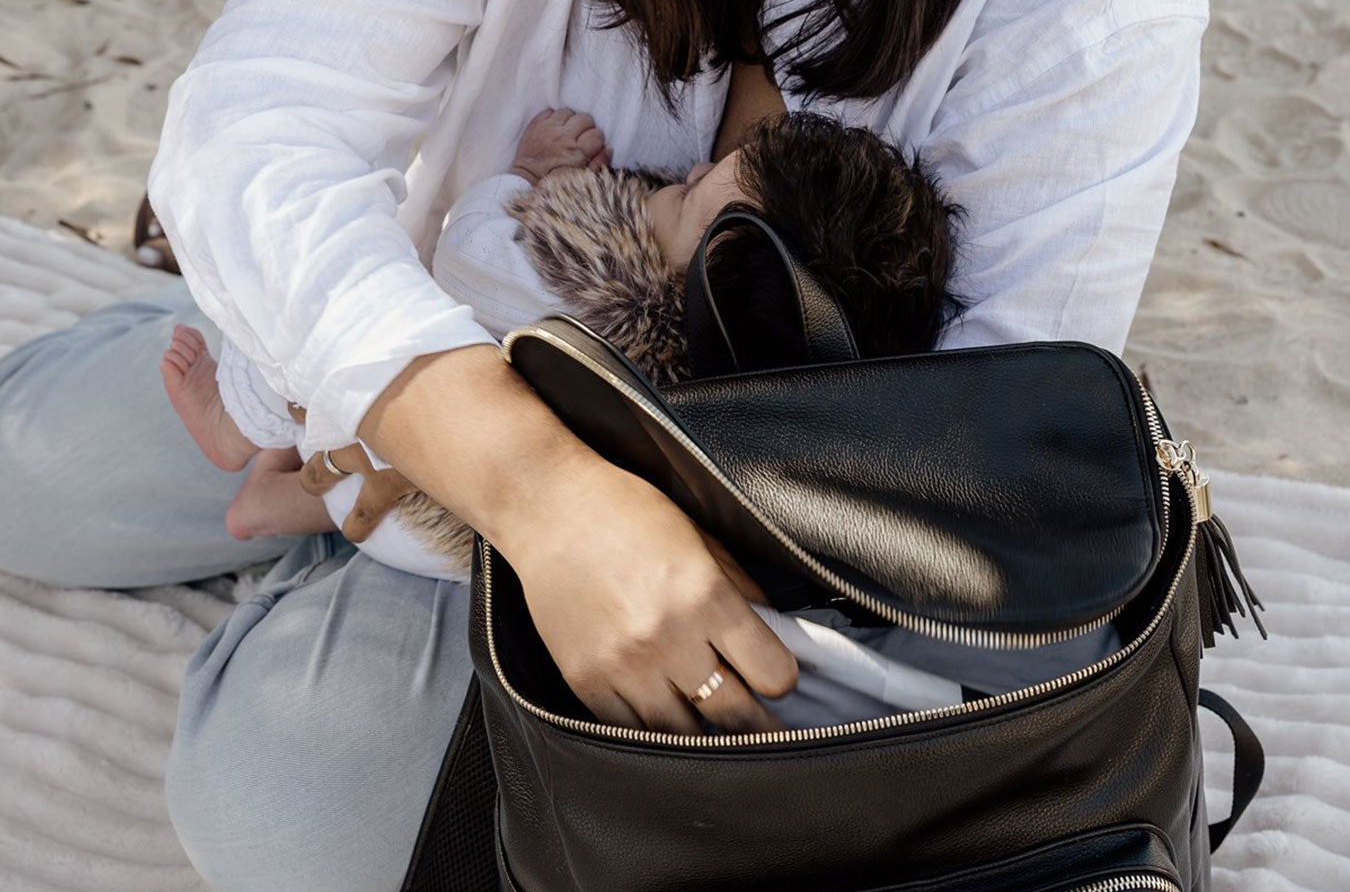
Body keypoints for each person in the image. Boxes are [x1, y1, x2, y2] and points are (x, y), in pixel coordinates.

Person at [0, 0, 1210, 892]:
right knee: (24, 477)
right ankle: (309, 442)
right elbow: (256, 124)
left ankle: (332, 524)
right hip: (434, 338)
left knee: (286, 813)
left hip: (749, 533)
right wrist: (521, 481)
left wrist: (577, 526)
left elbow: (980, 454)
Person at [158, 105, 964, 579]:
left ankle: (239, 429)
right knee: (362, 483)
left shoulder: (581, 283)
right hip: (470, 558)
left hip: (413, 484)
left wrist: (526, 175)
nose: (681, 171)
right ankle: (275, 508)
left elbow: (464, 244)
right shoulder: (725, 402)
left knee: (302, 306)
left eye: (684, 193)